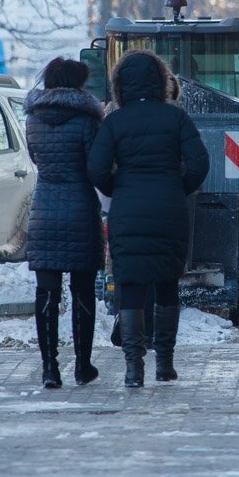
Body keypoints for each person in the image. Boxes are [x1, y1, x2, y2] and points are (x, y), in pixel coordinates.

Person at [87, 50, 210, 388]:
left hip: (127, 211)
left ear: (119, 86)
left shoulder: (114, 121)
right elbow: (200, 164)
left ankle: (133, 369)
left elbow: (96, 169)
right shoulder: (177, 119)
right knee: (167, 284)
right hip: (169, 210)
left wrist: (119, 188)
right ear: (160, 82)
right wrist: (177, 187)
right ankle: (165, 365)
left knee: (130, 286)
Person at [23, 57, 105, 388]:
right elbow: (95, 165)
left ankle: (49, 369)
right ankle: (83, 366)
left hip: (44, 210)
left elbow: (35, 157)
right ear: (78, 84)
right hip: (80, 209)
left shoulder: (33, 119)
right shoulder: (88, 119)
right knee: (83, 291)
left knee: (47, 292)